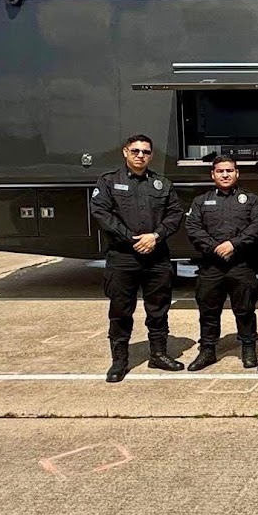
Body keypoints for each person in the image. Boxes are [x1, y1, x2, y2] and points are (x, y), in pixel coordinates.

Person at [90, 134, 185, 383]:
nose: (140, 155)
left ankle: (158, 354)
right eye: (135, 151)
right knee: (121, 310)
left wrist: (155, 236)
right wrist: (133, 238)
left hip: (157, 257)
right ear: (125, 152)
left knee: (158, 309)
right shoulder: (109, 181)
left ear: (151, 155)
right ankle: (119, 361)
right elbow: (101, 213)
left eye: (145, 152)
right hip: (123, 257)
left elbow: (175, 214)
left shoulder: (162, 184)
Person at [184, 156, 258, 371]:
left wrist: (233, 244)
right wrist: (215, 247)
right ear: (213, 175)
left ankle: (248, 348)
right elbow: (193, 228)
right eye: (220, 171)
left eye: (229, 170)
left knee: (245, 309)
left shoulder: (251, 200)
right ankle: (208, 350)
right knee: (208, 311)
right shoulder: (201, 201)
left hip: (241, 265)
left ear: (237, 173)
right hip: (211, 266)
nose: (225, 174)